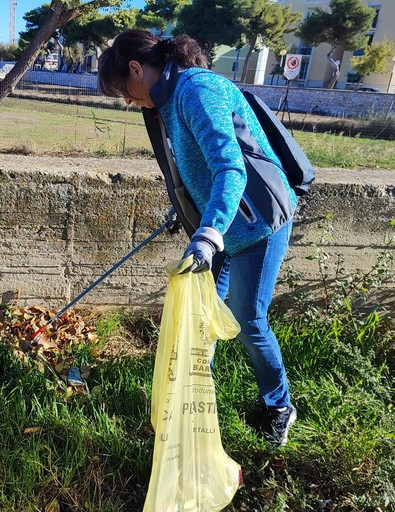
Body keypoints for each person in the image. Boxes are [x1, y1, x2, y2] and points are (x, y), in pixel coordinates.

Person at [98, 29, 297, 446]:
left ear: (137, 69)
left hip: (258, 224)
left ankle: (280, 405)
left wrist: (208, 231)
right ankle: (191, 402)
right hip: (220, 227)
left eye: (125, 91)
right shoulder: (166, 100)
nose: (129, 101)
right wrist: (190, 212)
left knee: (248, 320)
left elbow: (230, 168)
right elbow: (195, 165)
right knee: (200, 318)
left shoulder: (196, 90)